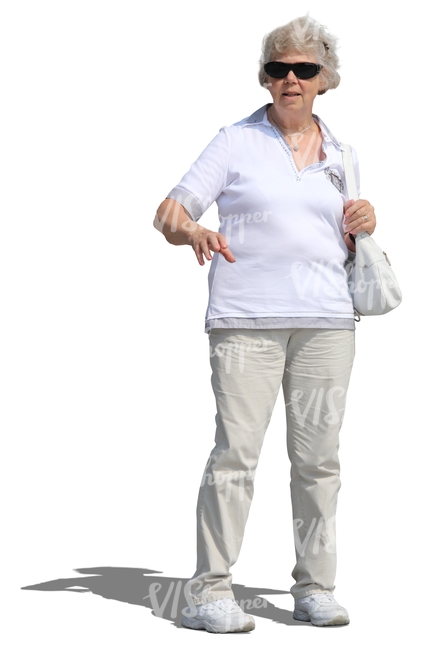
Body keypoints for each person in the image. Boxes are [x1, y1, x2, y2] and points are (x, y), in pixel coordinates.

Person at [154, 15, 376, 633]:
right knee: (235, 457)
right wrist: (193, 229)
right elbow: (168, 213)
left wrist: (365, 219)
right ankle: (208, 592)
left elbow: (339, 237)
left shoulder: (343, 153)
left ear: (325, 79)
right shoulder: (233, 141)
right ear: (265, 77)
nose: (291, 80)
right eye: (278, 69)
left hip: (328, 323)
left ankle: (315, 587)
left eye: (304, 69)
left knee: (319, 463)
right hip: (245, 321)